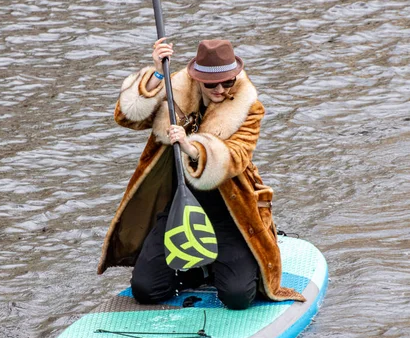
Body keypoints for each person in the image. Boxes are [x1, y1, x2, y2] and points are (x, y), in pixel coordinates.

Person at [98, 38, 305, 308]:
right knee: (146, 290)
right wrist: (157, 74)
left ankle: (241, 263)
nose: (221, 90)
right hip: (179, 210)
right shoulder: (175, 92)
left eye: (228, 82)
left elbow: (237, 157)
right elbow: (126, 118)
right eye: (212, 84)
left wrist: (192, 147)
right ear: (197, 79)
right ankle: (199, 269)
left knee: (237, 297)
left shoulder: (249, 108)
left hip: (231, 213)